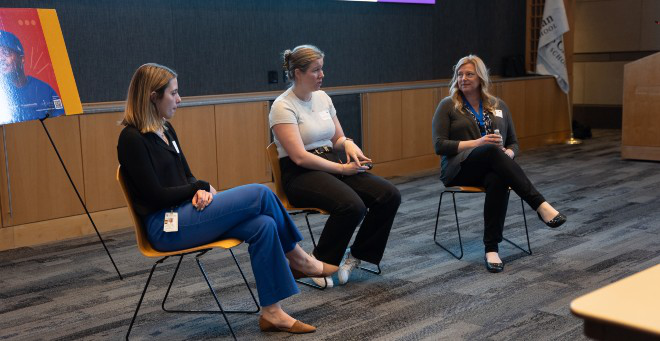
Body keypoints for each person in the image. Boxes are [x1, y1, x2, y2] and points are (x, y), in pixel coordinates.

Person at [117, 63, 334, 334]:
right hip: (165, 225)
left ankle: (272, 313)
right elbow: (155, 195)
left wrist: (199, 190)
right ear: (152, 97)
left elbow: (186, 176)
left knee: (264, 224)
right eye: (173, 93)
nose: (179, 99)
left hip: (188, 212)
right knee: (261, 193)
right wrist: (199, 186)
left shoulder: (166, 129)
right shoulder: (131, 139)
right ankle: (301, 260)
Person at [269, 45, 401, 287]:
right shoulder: (282, 106)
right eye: (316, 70)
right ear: (298, 73)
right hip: (300, 174)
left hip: (329, 162)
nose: (322, 75)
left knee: (388, 195)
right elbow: (298, 156)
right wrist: (342, 170)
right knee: (351, 206)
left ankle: (358, 255)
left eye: (322, 69)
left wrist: (349, 146)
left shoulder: (323, 97)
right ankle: (316, 264)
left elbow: (337, 138)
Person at [431, 55, 566, 273]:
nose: (463, 78)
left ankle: (491, 249)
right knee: (490, 151)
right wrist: (479, 143)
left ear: (481, 77)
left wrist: (509, 154)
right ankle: (540, 205)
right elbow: (439, 146)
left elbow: (514, 142)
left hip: (493, 166)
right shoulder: (448, 106)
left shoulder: (498, 105)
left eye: (469, 74)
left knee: (499, 177)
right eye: (459, 74)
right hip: (459, 169)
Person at [0, 30, 64, 124]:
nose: (1, 59)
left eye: (6, 53)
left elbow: (61, 120)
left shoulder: (45, 89)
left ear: (22, 59)